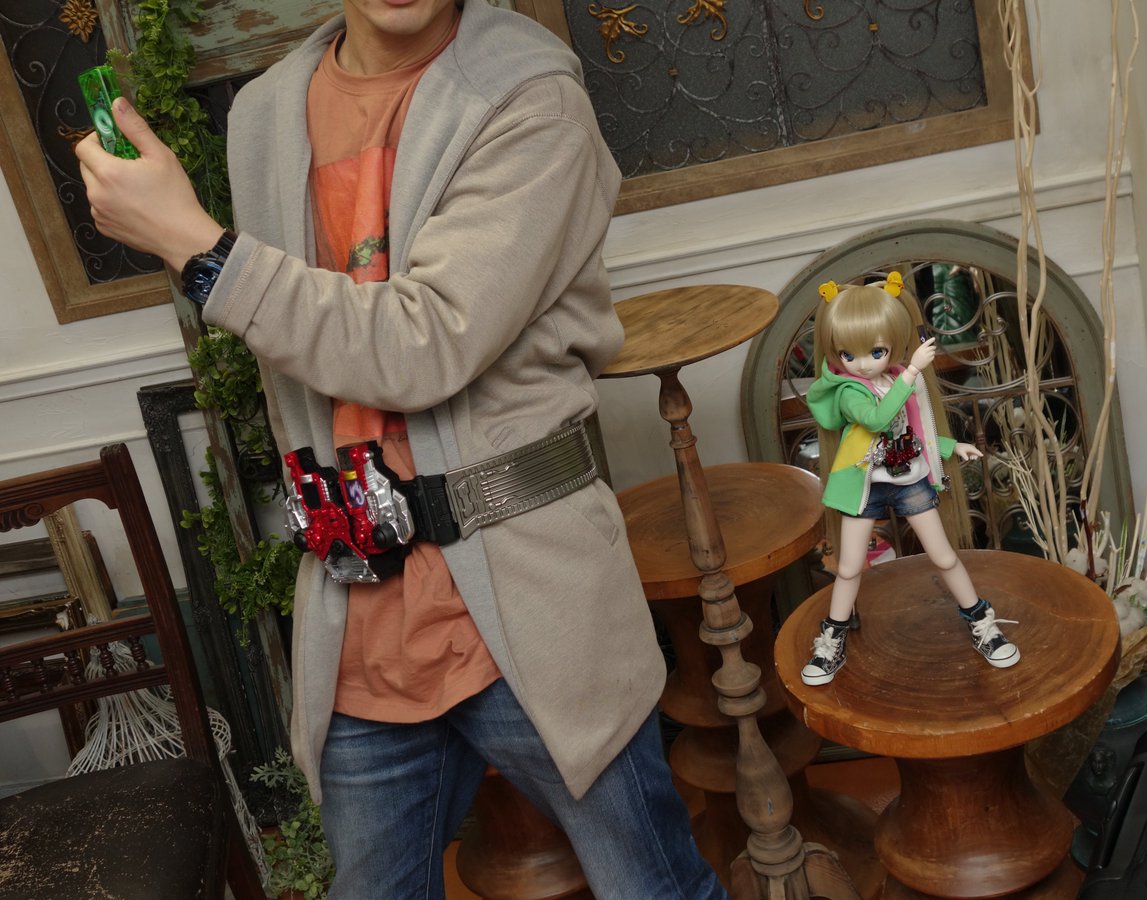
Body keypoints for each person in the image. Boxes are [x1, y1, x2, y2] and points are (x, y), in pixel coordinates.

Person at [76, 1, 726, 896]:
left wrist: (195, 246)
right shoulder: (266, 114)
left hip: (526, 605)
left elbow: (428, 343)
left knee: (653, 886)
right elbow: (295, 365)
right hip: (358, 618)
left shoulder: (531, 99)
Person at [799, 273, 1021, 686]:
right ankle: (833, 638)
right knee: (849, 567)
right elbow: (877, 420)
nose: (863, 364)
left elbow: (914, 433)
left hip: (910, 480)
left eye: (876, 351)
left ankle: (981, 621)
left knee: (944, 557)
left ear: (893, 344)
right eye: (848, 354)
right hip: (866, 485)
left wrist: (952, 446)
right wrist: (913, 371)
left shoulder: (895, 378)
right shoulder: (850, 390)